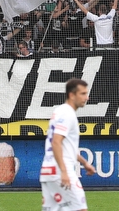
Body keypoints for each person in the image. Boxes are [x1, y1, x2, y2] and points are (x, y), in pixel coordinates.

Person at [41, 78, 96, 211]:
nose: (86, 97)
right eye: (82, 94)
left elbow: (65, 147)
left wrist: (84, 163)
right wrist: (64, 172)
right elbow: (56, 142)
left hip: (48, 171)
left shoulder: (59, 111)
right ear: (71, 95)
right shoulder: (67, 114)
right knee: (81, 209)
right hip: (60, 171)